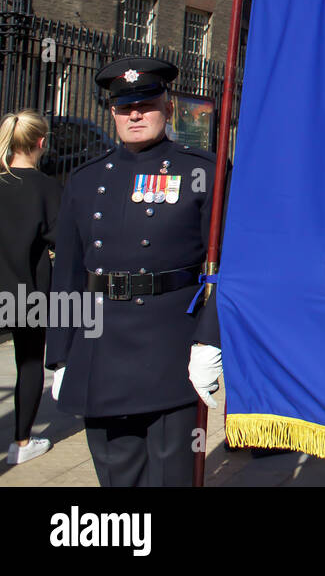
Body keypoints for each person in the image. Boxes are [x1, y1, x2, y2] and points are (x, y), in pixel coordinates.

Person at [46, 57, 222, 486]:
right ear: (112, 111)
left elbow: (229, 265)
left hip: (170, 345)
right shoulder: (85, 180)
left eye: (145, 104)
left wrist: (209, 340)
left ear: (166, 106)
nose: (135, 115)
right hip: (100, 348)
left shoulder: (201, 172)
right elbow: (67, 274)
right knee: (116, 476)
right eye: (125, 107)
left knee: (171, 475)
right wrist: (61, 354)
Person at [0, 110, 61, 464]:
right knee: (28, 360)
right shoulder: (47, 188)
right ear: (41, 142)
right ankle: (21, 443)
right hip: (28, 290)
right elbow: (61, 238)